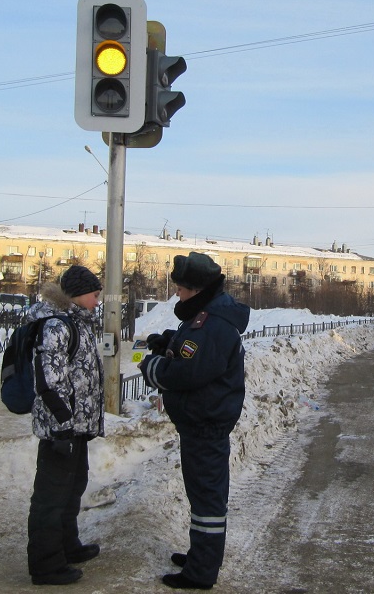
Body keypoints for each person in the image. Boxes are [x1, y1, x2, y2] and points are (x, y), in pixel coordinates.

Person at [139, 252, 250, 590]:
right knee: (204, 498)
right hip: (202, 422)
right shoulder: (207, 316)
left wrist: (151, 368)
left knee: (207, 503)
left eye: (183, 289)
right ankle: (202, 555)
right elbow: (193, 348)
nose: (178, 295)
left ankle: (201, 572)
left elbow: (189, 370)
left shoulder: (213, 324)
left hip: (206, 424)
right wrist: (169, 341)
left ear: (197, 289)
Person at [26, 264, 105, 586]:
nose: (98, 302)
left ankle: (67, 545)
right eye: (95, 295)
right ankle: (46, 565)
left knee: (72, 488)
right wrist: (63, 426)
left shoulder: (77, 323)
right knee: (51, 497)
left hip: (77, 427)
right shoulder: (56, 326)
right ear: (78, 294)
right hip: (62, 429)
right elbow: (50, 380)